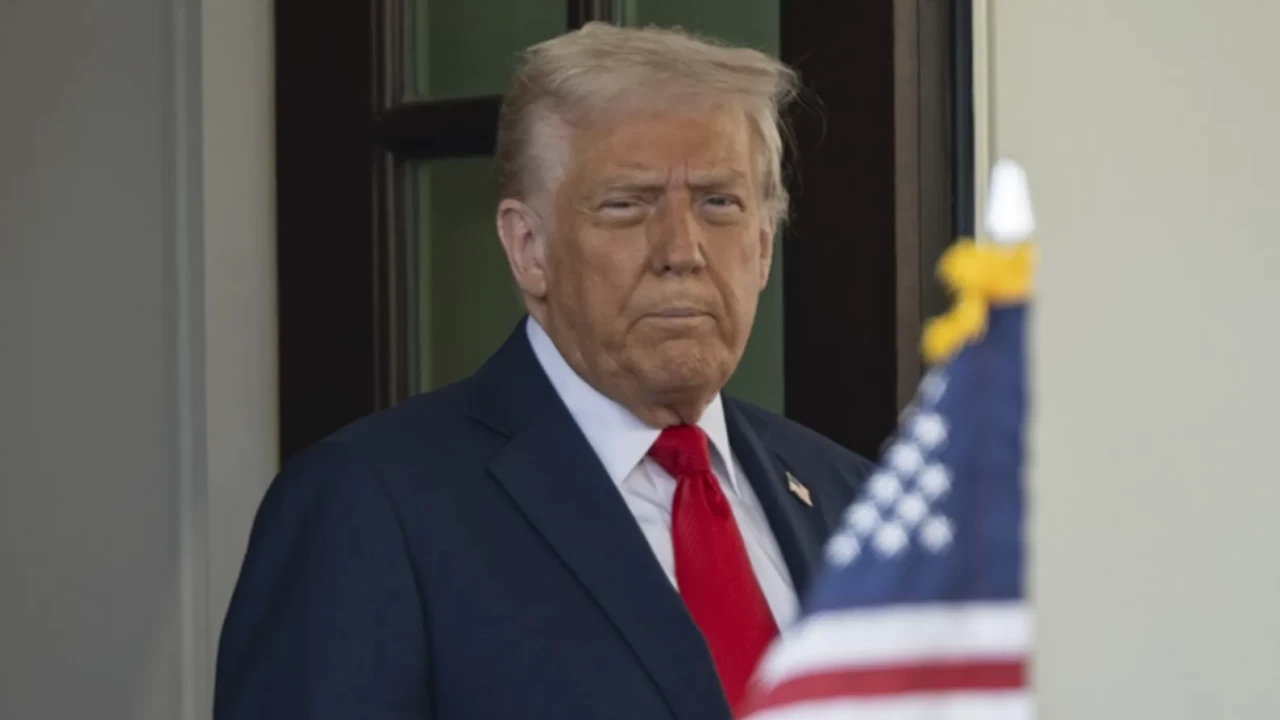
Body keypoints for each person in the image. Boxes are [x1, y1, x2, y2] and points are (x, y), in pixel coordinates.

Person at [214, 22, 873, 720]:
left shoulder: (853, 498)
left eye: (719, 203)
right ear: (528, 248)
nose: (682, 250)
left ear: (763, 246)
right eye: (627, 205)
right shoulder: (371, 508)